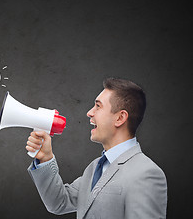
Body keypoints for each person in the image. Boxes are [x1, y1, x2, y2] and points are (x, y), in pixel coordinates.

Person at [26, 78, 167, 219]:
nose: (89, 112)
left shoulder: (147, 174)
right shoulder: (94, 168)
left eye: (98, 106)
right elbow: (59, 202)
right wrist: (45, 158)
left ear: (120, 118)